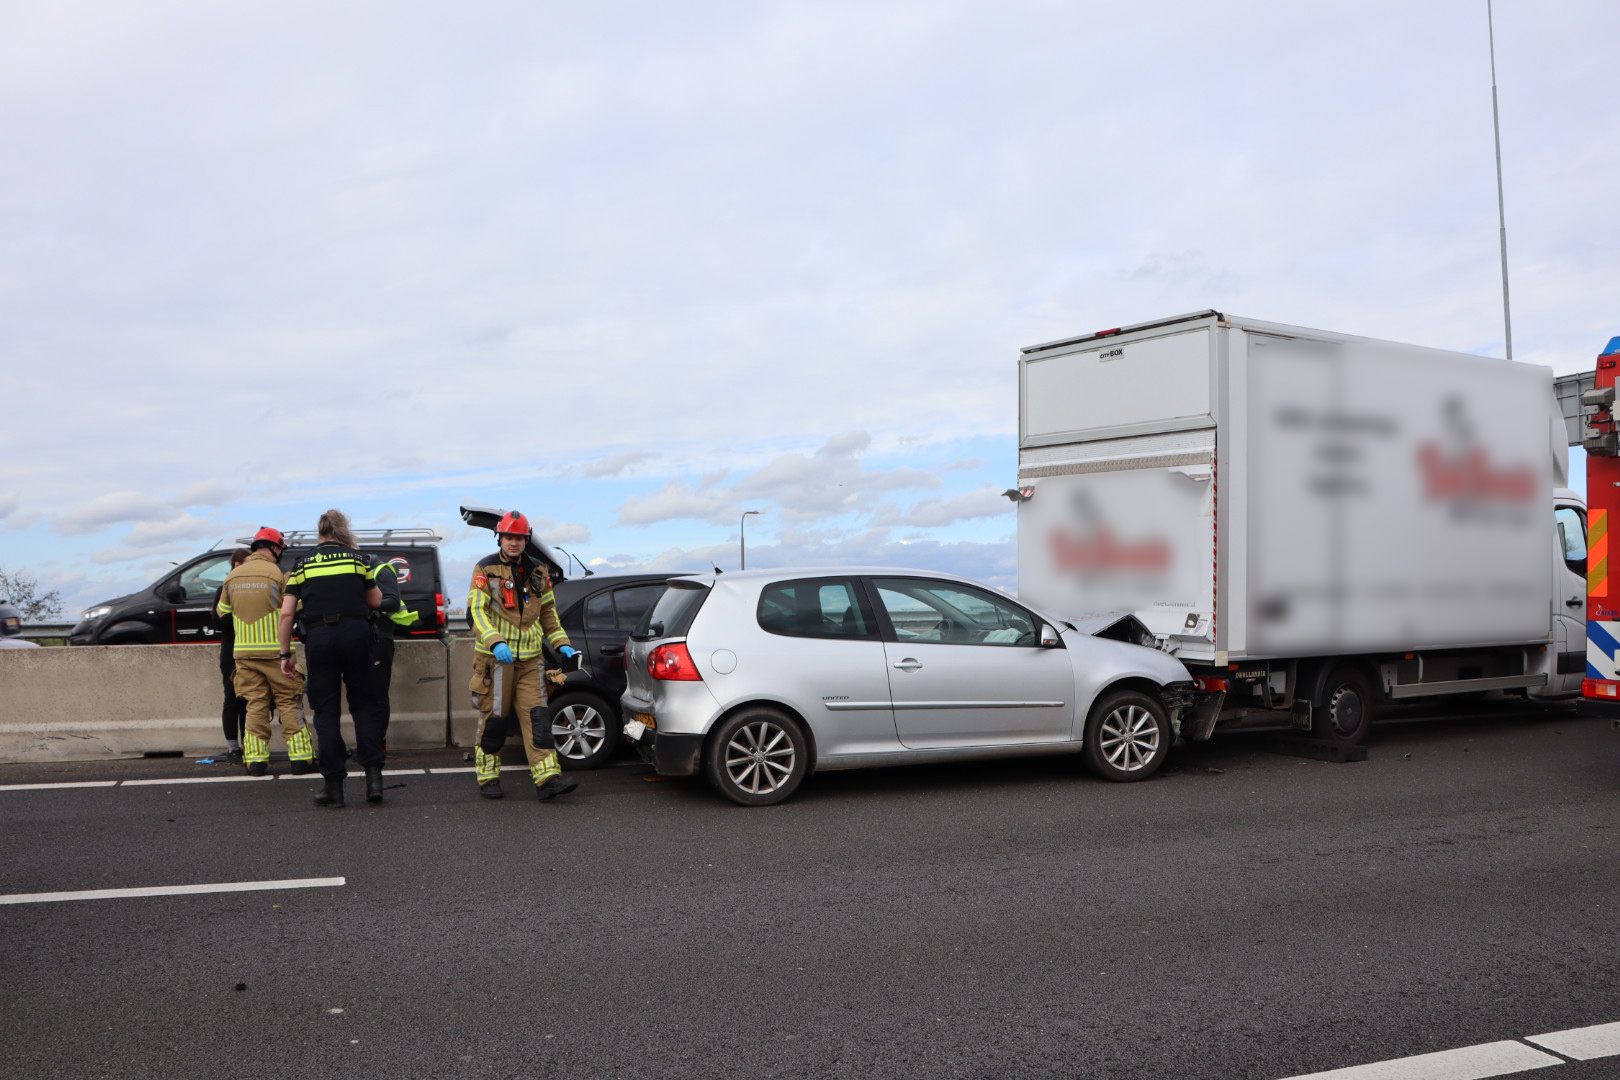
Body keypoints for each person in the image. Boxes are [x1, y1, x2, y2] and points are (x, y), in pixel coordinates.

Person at [467, 510, 580, 801]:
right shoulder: (485, 569)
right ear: (500, 538)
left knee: (538, 719)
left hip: (531, 660)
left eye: (518, 537)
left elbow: (548, 616)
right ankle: (488, 776)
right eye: (508, 537)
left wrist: (562, 644)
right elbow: (476, 612)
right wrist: (495, 642)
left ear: (525, 539)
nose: (513, 542)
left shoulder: (540, 572)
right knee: (494, 721)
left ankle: (547, 779)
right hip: (496, 661)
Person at [279, 509, 384, 808]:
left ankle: (334, 788)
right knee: (365, 706)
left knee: (326, 713)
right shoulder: (358, 559)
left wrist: (285, 654)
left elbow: (287, 613)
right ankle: (374, 779)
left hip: (320, 639)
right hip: (356, 635)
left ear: (321, 532)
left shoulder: (301, 564)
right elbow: (375, 601)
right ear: (343, 530)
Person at [217, 529, 314, 776]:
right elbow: (295, 608)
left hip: (244, 654)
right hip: (275, 652)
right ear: (275, 548)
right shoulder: (279, 575)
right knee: (289, 703)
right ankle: (301, 760)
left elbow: (222, 612)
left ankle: (257, 762)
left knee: (255, 706)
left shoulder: (232, 576)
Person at [370, 557, 420, 746]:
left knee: (377, 693)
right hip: (361, 640)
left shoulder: (380, 570)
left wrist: (369, 603)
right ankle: (368, 742)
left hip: (380, 639)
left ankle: (377, 743)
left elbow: (393, 601)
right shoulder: (356, 570)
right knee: (364, 694)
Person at [212, 548, 251, 762]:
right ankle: (233, 747)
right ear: (237, 565)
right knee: (232, 699)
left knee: (248, 701)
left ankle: (249, 744)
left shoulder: (251, 590)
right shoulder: (225, 588)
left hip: (249, 650)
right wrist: (242, 615)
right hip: (231, 652)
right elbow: (218, 622)